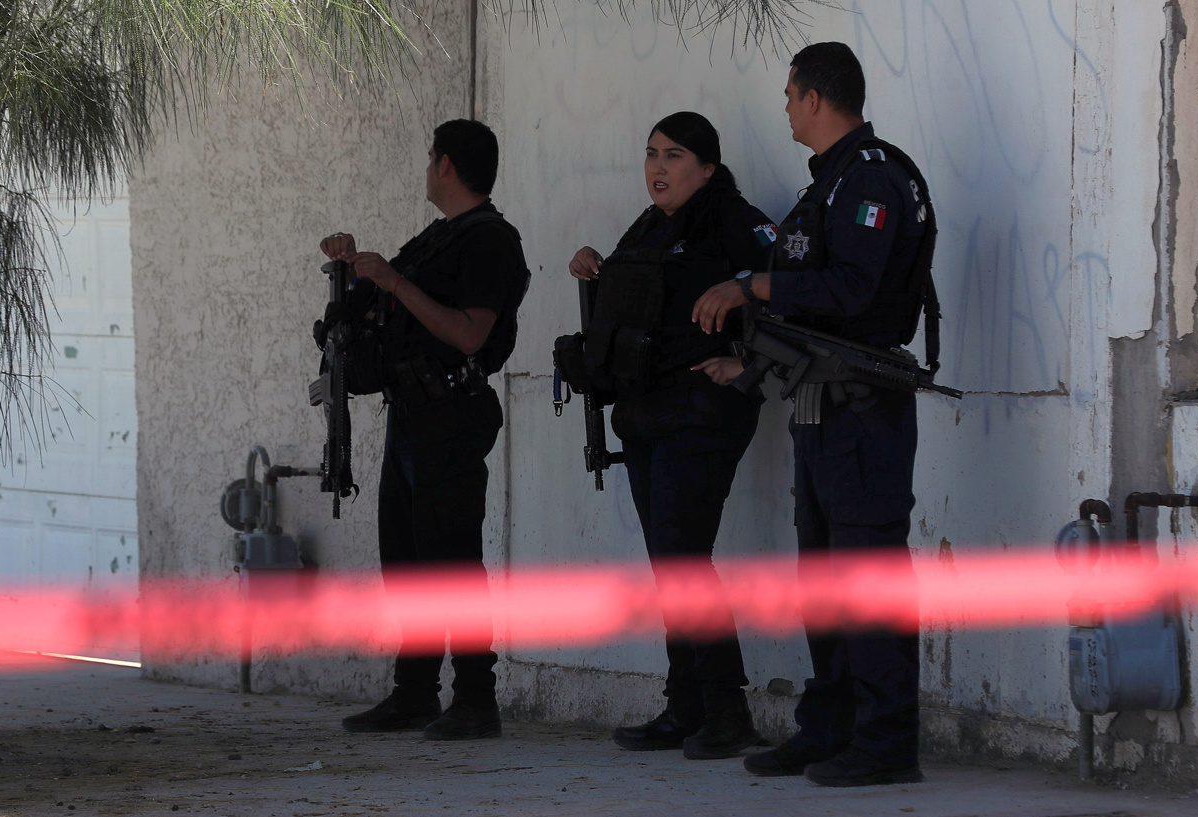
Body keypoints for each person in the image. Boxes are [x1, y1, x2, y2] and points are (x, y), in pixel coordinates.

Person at [694, 42, 937, 787]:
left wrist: (751, 286)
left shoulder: (868, 180)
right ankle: (829, 728)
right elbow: (815, 307)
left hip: (863, 412)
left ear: (813, 98)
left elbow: (852, 292)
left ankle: (886, 741)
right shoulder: (828, 185)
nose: (786, 106)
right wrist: (754, 362)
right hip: (819, 405)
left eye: (790, 92)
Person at [566, 112, 778, 760]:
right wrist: (593, 271)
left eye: (675, 155)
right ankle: (687, 706)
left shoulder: (738, 221)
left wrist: (752, 367)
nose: (659, 167)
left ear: (708, 167)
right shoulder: (651, 225)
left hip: (702, 414)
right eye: (651, 154)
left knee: (684, 559)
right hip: (648, 413)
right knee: (670, 562)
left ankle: (726, 709)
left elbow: (797, 295)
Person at [323, 119, 530, 740]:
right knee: (408, 562)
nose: (426, 167)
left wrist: (394, 281)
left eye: (429, 157)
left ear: (445, 164)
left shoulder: (491, 240)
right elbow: (391, 301)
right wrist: (356, 266)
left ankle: (475, 700)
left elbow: (470, 333)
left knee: (453, 562)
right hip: (411, 415)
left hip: (450, 416)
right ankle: (414, 693)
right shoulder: (443, 237)